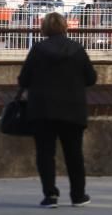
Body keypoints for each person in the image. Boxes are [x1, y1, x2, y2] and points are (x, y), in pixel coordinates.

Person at [18, 12, 97, 208]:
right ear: (65, 27)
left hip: (42, 110)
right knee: (74, 154)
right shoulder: (77, 49)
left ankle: (50, 195)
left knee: (45, 154)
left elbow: (24, 80)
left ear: (44, 28)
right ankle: (78, 195)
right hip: (73, 110)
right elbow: (91, 78)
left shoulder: (37, 50)